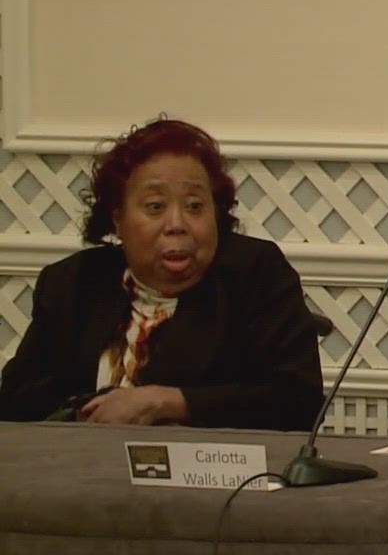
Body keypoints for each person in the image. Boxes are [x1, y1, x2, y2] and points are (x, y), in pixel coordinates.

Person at [0, 117, 324, 429]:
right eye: (155, 207)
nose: (177, 225)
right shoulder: (73, 283)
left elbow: (297, 402)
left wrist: (166, 402)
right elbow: (15, 402)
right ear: (118, 220)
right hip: (82, 469)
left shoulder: (254, 274)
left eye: (195, 206)